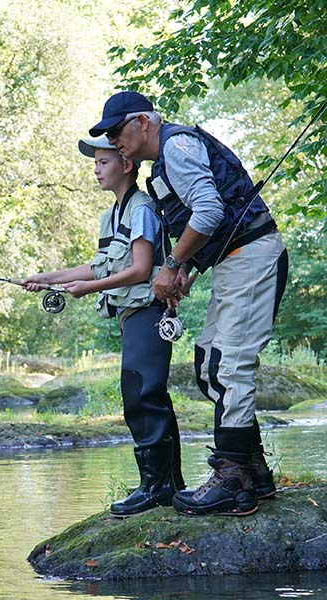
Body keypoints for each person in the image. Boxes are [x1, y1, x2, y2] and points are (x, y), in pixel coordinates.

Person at [89, 90, 289, 516]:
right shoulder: (165, 159)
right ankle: (254, 471)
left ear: (142, 122)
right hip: (233, 261)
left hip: (252, 256)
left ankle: (233, 476)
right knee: (206, 363)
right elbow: (209, 223)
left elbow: (209, 211)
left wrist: (173, 262)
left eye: (117, 131)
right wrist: (185, 270)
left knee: (227, 364)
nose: (114, 141)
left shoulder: (176, 146)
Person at [23, 136, 185, 517]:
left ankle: (157, 486)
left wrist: (88, 289)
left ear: (126, 165)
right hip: (132, 317)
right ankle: (165, 484)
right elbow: (98, 266)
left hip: (149, 312)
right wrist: (47, 278)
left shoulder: (142, 209)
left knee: (142, 394)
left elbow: (142, 269)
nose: (96, 169)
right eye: (95, 163)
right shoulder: (111, 215)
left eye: (103, 162)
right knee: (146, 393)